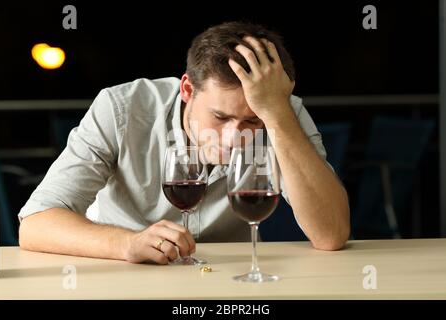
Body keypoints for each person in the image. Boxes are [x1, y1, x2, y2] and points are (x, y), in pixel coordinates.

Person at [18, 22, 350, 264]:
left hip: (230, 280)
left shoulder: (280, 109)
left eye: (252, 121)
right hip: (122, 272)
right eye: (220, 117)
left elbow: (331, 234)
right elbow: (36, 224)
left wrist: (276, 115)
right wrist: (128, 244)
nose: (235, 139)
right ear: (188, 90)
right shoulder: (121, 108)